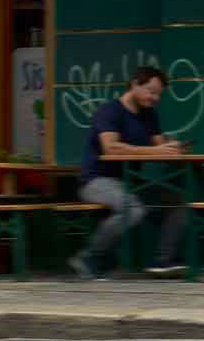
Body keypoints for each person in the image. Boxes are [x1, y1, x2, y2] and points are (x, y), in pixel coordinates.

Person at [69, 65, 187, 278]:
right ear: (134, 84)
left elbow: (159, 147)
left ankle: (162, 261)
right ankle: (89, 257)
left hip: (130, 182)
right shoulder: (109, 111)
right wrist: (156, 150)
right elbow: (111, 148)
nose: (155, 98)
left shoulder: (149, 115)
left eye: (159, 94)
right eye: (151, 91)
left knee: (176, 203)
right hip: (95, 180)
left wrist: (172, 148)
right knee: (132, 209)